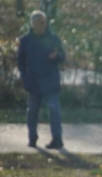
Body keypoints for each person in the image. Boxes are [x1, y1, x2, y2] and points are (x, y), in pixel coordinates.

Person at [17, 10, 66, 150]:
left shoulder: (53, 38)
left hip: (51, 81)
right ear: (33, 24)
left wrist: (57, 56)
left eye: (44, 22)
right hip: (34, 81)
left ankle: (57, 139)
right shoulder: (25, 40)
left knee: (54, 110)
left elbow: (63, 56)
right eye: (40, 23)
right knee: (32, 111)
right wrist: (25, 79)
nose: (43, 25)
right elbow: (20, 62)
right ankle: (32, 138)